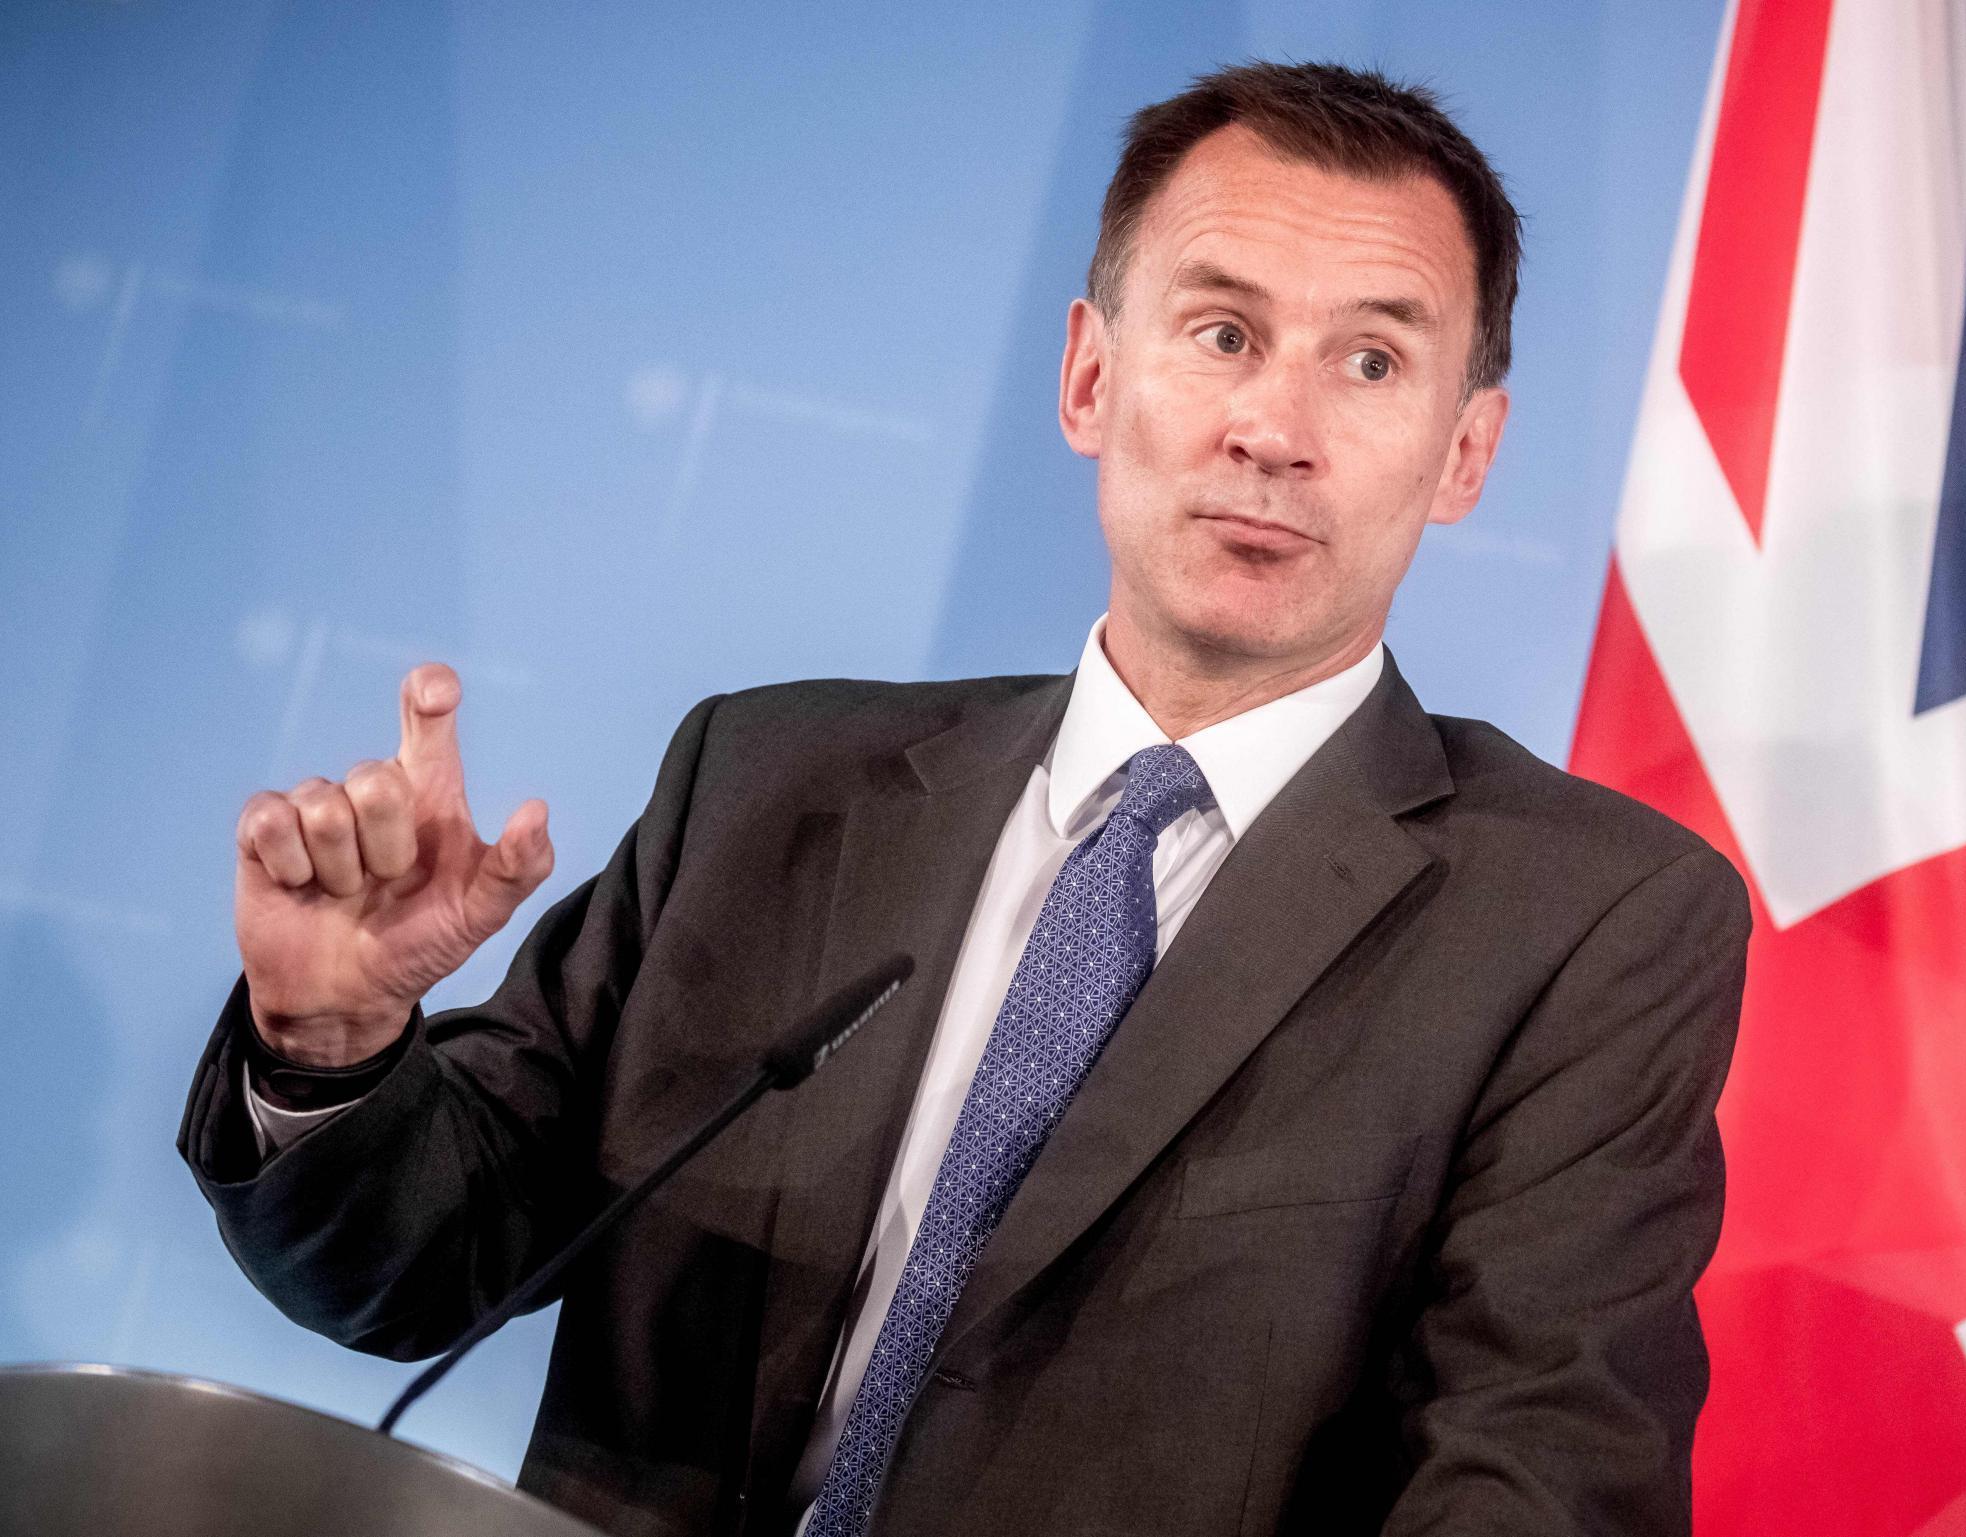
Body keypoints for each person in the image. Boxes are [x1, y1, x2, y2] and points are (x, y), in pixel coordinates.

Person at [181, 61, 1749, 1537]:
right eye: (1219, 334)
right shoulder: (767, 783)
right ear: (1087, 376)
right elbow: (419, 1266)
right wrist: (331, 1046)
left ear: (1466, 450)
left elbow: (1537, 1471)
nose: (1273, 431)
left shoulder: (1583, 922)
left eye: (1372, 360)